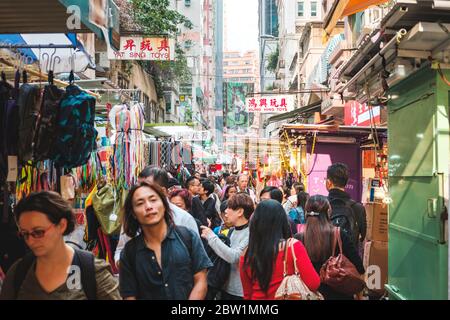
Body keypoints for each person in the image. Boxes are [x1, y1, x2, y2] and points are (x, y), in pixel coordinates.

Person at [0, 191, 120, 300]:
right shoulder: (18, 273)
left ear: (62, 225)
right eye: (25, 234)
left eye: (38, 232)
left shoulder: (92, 271)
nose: (30, 241)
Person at [119, 182, 213, 300]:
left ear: (164, 204)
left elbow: (201, 280)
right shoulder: (129, 252)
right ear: (133, 213)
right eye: (140, 203)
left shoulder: (188, 237)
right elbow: (129, 295)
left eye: (153, 200)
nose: (148, 206)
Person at [114, 167, 200, 265]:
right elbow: (121, 249)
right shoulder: (133, 216)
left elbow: (197, 262)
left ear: (163, 191)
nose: (140, 191)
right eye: (138, 186)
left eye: (147, 187)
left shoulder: (184, 219)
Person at [240, 200, 320, 300]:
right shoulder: (292, 246)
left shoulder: (246, 254)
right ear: (282, 220)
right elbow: (313, 283)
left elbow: (247, 294)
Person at [294, 195, 365, 300]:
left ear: (306, 214)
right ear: (328, 212)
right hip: (340, 295)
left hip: (308, 295)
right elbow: (359, 267)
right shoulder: (339, 234)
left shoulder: (298, 239)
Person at [200, 193, 254, 300]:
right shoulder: (230, 231)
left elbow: (234, 257)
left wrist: (211, 237)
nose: (225, 211)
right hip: (224, 288)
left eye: (229, 208)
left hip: (240, 292)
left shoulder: (251, 234)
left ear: (240, 212)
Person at [326, 163, 366, 253]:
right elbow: (362, 237)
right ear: (346, 182)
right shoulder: (358, 208)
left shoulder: (320, 204)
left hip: (325, 263)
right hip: (349, 263)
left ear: (329, 182)